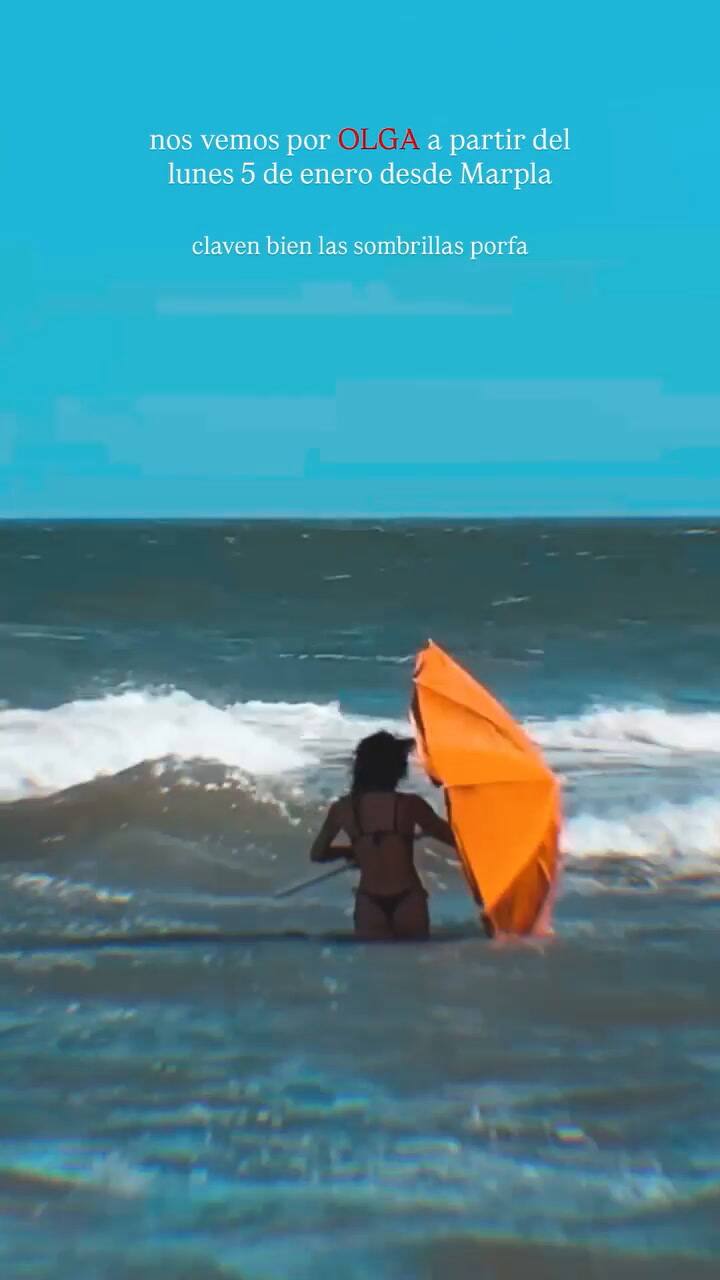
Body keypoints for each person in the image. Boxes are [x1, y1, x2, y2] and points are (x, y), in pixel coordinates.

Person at [309, 731, 456, 941]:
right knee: (415, 966)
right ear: (397, 769)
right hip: (408, 897)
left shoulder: (344, 808)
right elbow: (456, 840)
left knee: (377, 967)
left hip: (369, 901)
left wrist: (351, 851)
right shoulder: (410, 805)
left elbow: (317, 854)